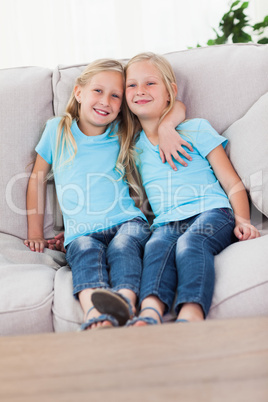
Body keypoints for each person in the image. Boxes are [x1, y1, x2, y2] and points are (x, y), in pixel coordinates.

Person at [91, 52, 260, 326]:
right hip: (167, 221)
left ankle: (191, 314)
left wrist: (242, 219)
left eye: (150, 84)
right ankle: (149, 313)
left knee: (190, 244)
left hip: (212, 212)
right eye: (132, 85)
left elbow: (232, 182)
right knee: (156, 247)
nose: (140, 91)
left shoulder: (196, 129)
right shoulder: (132, 145)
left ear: (170, 92)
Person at [24, 58, 189, 330]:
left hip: (127, 222)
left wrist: (166, 127)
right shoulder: (57, 130)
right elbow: (37, 180)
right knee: (85, 255)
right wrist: (35, 232)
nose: (106, 101)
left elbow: (177, 106)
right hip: (82, 233)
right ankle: (95, 313)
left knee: (124, 247)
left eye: (116, 96)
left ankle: (125, 300)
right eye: (98, 91)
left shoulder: (123, 131)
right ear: (79, 92)